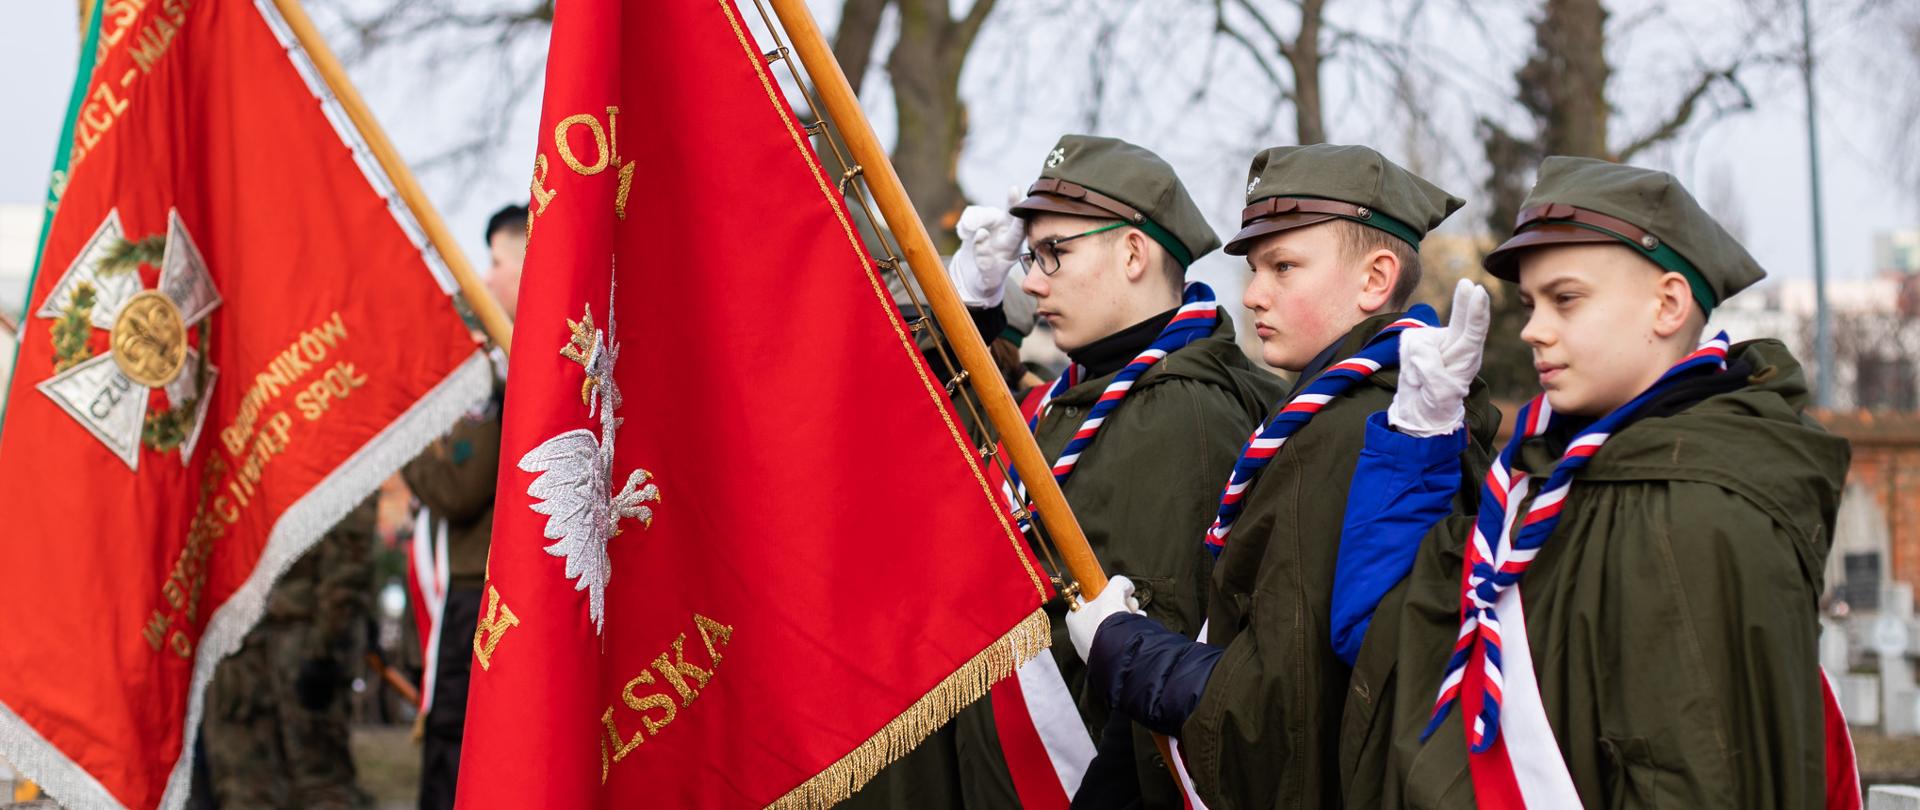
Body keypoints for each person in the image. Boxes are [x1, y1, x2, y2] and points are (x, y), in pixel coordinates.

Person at [1332, 156, 1856, 809]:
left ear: (1667, 303)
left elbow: (1695, 781)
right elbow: (1379, 633)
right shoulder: (1552, 489)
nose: (1532, 329)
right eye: (1529, 304)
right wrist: (1418, 437)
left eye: (1566, 299)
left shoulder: (1688, 507)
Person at [850, 135, 1285, 808]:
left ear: (1134, 253)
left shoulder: (1183, 413)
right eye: (1032, 256)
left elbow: (1151, 678)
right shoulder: (1082, 392)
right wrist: (969, 316)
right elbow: (927, 461)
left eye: (1055, 253)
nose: (1031, 281)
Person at [1066, 144, 1499, 808]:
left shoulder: (1355, 432)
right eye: (1254, 268)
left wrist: (1126, 650)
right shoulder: (1343, 416)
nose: (1254, 293)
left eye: (1283, 267)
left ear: (1375, 279)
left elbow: (1281, 711)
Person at [400, 203, 522, 810]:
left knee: (455, 751)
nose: (488, 278)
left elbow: (457, 489)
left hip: (481, 596)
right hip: (479, 592)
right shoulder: (506, 366)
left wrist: (401, 436)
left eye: (497, 261)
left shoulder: (512, 374)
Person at [202, 497, 378, 809]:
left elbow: (349, 560)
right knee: (246, 787)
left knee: (319, 784)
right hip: (239, 652)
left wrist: (326, 647)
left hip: (302, 645)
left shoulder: (329, 462)